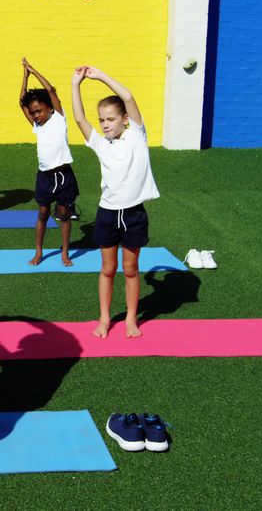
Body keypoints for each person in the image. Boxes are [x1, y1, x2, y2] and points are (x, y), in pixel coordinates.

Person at [71, 66, 160, 338]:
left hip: (133, 214)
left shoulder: (137, 136)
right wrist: (76, 83)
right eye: (102, 120)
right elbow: (78, 118)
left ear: (125, 119)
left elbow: (129, 97)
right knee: (108, 269)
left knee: (131, 270)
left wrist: (101, 77)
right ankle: (105, 319)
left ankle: (132, 319)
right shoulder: (100, 144)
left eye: (110, 119)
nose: (105, 124)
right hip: (108, 214)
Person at [20, 58, 79, 267]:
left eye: (39, 111)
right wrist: (24, 77)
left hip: (64, 176)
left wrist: (34, 70)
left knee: (64, 215)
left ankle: (65, 253)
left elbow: (51, 91)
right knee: (43, 213)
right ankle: (38, 251)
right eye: (33, 112)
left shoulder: (58, 118)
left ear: (50, 109)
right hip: (45, 176)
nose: (36, 115)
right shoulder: (38, 127)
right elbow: (21, 103)